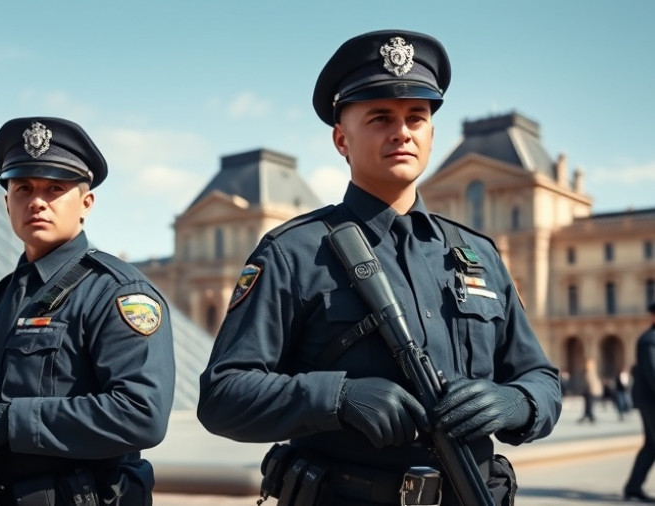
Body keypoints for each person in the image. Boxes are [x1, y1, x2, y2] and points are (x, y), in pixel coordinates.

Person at [198, 30, 562, 506]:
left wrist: (516, 403)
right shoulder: (293, 253)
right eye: (380, 117)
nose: (402, 131)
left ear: (431, 133)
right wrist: (337, 399)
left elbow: (542, 378)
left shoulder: (479, 253)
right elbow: (224, 396)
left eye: (417, 116)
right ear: (341, 139)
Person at [0, 117, 175, 505]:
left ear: (86, 204)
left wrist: (12, 423)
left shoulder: (116, 292)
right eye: (23, 188)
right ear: (8, 203)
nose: (36, 201)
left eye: (55, 188)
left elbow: (142, 413)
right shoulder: (2, 296)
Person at [623, 302, 655, 502]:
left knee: (652, 445)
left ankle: (633, 487)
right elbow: (653, 374)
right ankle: (633, 487)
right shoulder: (648, 341)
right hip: (651, 400)